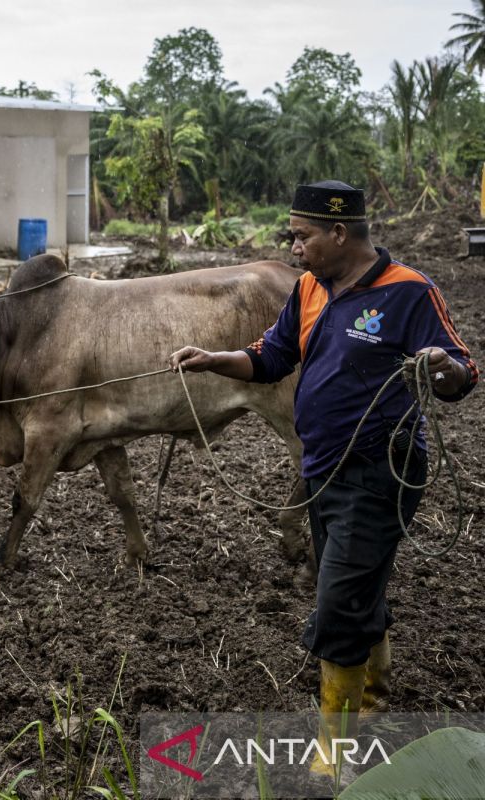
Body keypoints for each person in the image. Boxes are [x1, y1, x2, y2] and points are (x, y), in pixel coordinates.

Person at [169, 180, 477, 777]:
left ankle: (335, 752)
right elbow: (272, 356)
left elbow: (462, 371)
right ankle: (375, 697)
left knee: (336, 603)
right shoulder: (310, 288)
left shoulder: (410, 291)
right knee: (357, 586)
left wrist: (442, 369)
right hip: (322, 468)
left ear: (339, 233)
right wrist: (214, 360)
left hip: (380, 471)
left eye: (301, 236)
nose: (293, 248)